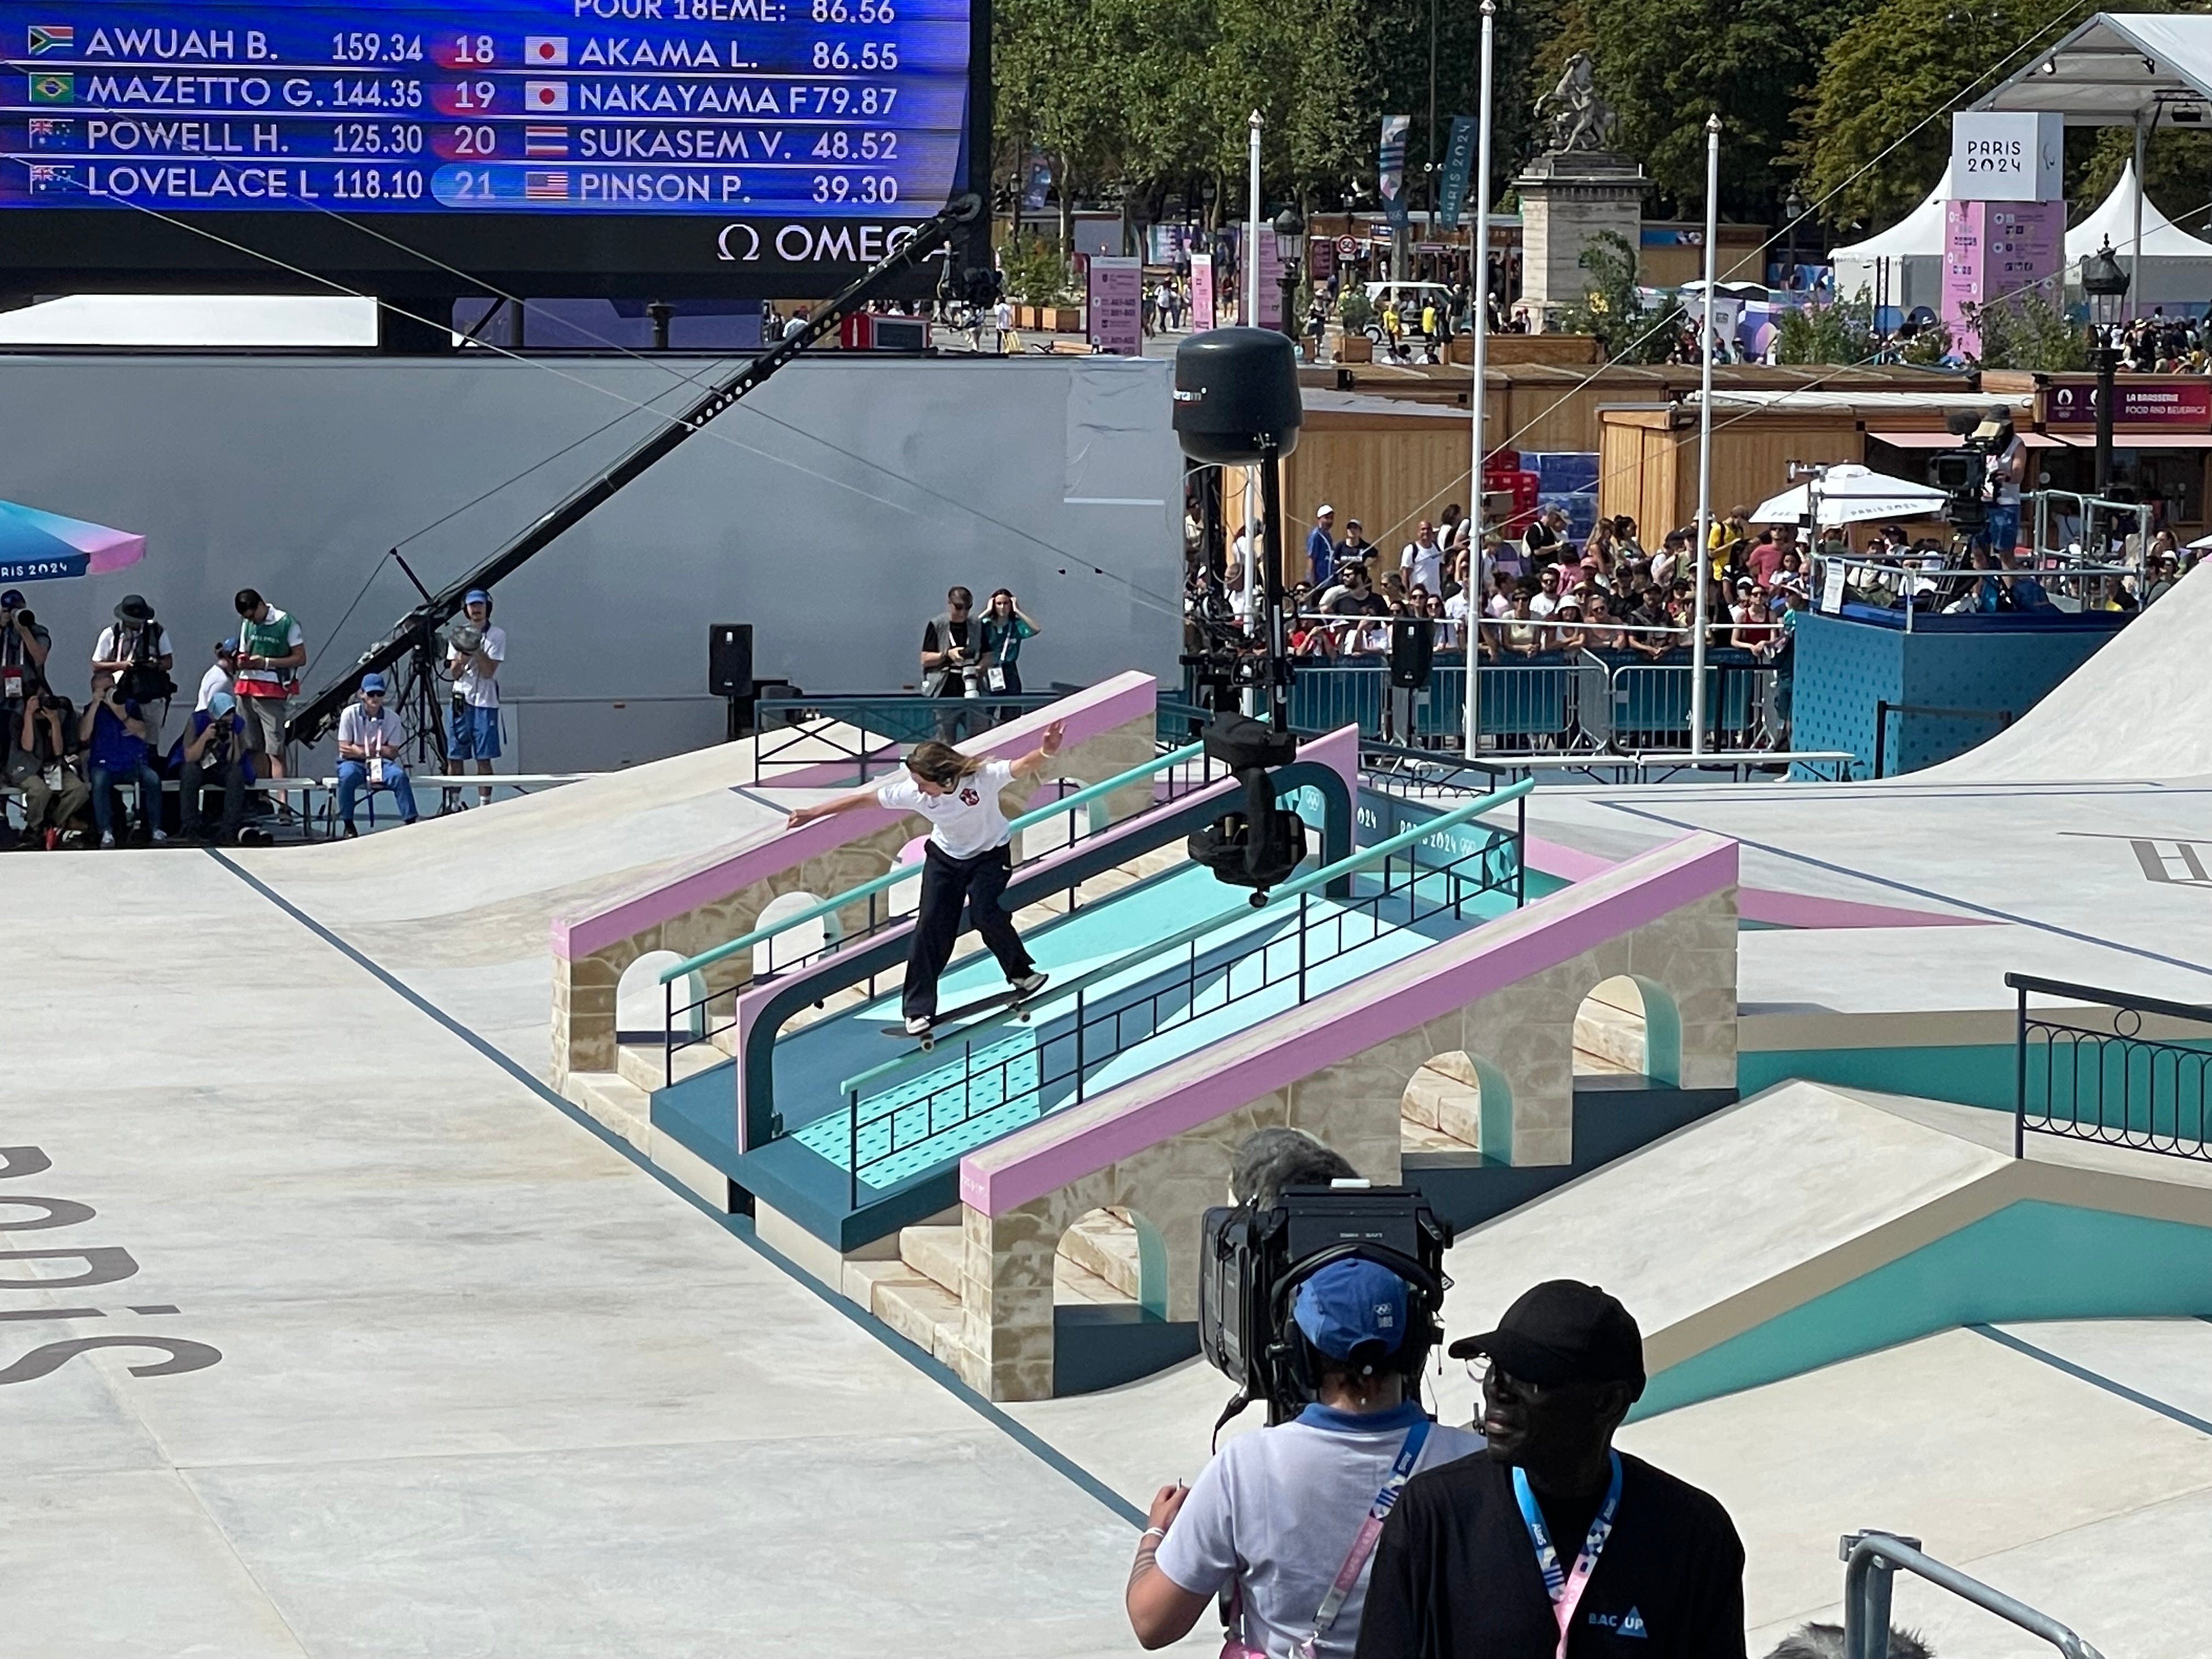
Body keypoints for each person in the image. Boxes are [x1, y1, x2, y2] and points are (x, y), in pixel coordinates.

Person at [1355, 1280, 1747, 1659]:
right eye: (1493, 1366)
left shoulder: (1694, 1536)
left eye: (1529, 1376)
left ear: (1608, 1402)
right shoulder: (1432, 1516)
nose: (1497, 1389)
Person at [1128, 1257, 1486, 1658]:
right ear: (1417, 1344)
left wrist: (1155, 1535)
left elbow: (1152, 1623)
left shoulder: (1244, 1468)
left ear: (1298, 1351)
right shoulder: (1479, 1465)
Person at [784, 723, 1064, 1034]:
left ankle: (1021, 973)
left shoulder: (981, 780)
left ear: (944, 778)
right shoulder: (914, 794)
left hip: (990, 857)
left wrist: (1046, 751)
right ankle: (917, 1009)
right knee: (931, 928)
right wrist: (813, 812)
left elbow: (1022, 766)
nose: (917, 789)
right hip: (945, 861)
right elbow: (864, 800)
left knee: (986, 912)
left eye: (922, 783)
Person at [80, 670, 164, 848]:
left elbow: (143, 732)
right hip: (105, 763)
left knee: (153, 780)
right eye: (103, 690)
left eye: (111, 687)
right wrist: (96, 704)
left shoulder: (130, 705)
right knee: (99, 781)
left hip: (133, 761)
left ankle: (156, 828)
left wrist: (121, 713)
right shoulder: (91, 710)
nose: (109, 692)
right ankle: (106, 831)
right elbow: (84, 736)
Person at [232, 588, 307, 780]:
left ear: (260, 605)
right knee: (251, 746)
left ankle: (281, 802)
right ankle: (259, 797)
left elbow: (300, 658)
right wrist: (242, 662)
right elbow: (243, 652)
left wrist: (266, 662)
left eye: (253, 616)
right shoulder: (247, 625)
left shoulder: (286, 623)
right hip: (246, 688)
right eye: (247, 619)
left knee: (275, 750)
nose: (252, 621)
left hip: (271, 691)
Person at [334, 673, 420, 836]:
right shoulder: (349, 714)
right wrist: (369, 751)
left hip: (379, 761)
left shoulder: (392, 718)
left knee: (399, 776)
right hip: (353, 761)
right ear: (362, 694)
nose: (375, 698)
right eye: (371, 694)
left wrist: (365, 750)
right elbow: (344, 749)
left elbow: (393, 752)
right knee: (347, 776)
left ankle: (410, 819)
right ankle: (348, 823)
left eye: (379, 694)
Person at [92, 594, 177, 749]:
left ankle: (150, 765)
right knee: (123, 737)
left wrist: (154, 665)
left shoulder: (157, 632)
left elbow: (168, 662)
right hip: (121, 694)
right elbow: (96, 665)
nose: (137, 624)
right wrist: (122, 665)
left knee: (150, 741)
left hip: (151, 694)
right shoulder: (111, 634)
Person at [446, 588, 506, 808]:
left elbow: (489, 671)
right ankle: (454, 803)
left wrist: (477, 649)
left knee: (484, 756)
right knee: (455, 754)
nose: (477, 609)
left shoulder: (497, 635)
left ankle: (484, 804)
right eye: (472, 606)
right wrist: (463, 655)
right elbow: (453, 673)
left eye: (480, 605)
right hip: (462, 699)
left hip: (485, 701)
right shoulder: (458, 634)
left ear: (487, 607)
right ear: (466, 609)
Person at [8, 687, 88, 849]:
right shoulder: (18, 714)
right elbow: (27, 746)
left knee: (78, 790)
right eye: (38, 698)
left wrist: (55, 722)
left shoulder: (61, 713)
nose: (42, 701)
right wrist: (29, 714)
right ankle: (34, 828)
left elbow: (59, 751)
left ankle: (52, 824)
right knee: (40, 791)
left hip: (53, 765)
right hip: (24, 764)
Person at [174, 689, 253, 844]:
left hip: (222, 766)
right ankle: (191, 827)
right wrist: (204, 738)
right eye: (225, 715)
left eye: (231, 713)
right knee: (190, 772)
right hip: (200, 764)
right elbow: (190, 757)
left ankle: (229, 828)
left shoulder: (238, 724)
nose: (229, 718)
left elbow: (235, 760)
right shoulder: (197, 720)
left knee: (236, 774)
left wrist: (233, 741)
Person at [922, 584, 981, 740]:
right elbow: (925, 659)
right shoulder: (937, 625)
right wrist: (948, 655)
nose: (963, 613)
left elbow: (988, 655)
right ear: (950, 604)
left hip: (973, 689)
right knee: (946, 740)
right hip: (945, 690)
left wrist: (978, 668)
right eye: (959, 607)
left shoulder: (976, 625)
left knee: (980, 737)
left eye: (968, 608)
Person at [0, 588, 52, 737]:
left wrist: (24, 631)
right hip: (3, 695)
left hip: (30, 693)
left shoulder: (37, 631)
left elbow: (39, 658)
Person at [977, 588, 1041, 697]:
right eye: (999, 604)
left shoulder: (1016, 625)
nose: (1002, 607)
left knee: (1012, 708)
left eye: (1006, 603)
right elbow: (970, 629)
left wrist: (1017, 610)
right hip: (990, 669)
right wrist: (987, 611)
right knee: (988, 708)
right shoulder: (986, 625)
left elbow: (1036, 629)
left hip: (1010, 669)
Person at [1400, 521, 1445, 600]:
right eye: (1423, 529)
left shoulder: (1437, 548)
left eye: (1428, 529)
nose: (1426, 532)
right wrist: (1407, 595)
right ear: (1418, 532)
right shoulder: (1412, 549)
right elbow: (1405, 573)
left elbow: (1441, 569)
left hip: (1436, 595)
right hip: (1419, 596)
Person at [197, 638, 238, 713]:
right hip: (206, 721)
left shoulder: (214, 672)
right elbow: (213, 708)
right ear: (231, 658)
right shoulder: (222, 680)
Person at [1308, 506, 1339, 590]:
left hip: (1329, 579)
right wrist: (1312, 581)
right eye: (1326, 518)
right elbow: (1312, 558)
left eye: (1331, 518)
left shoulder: (1327, 535)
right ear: (1319, 519)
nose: (1330, 521)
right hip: (1320, 580)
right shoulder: (1316, 535)